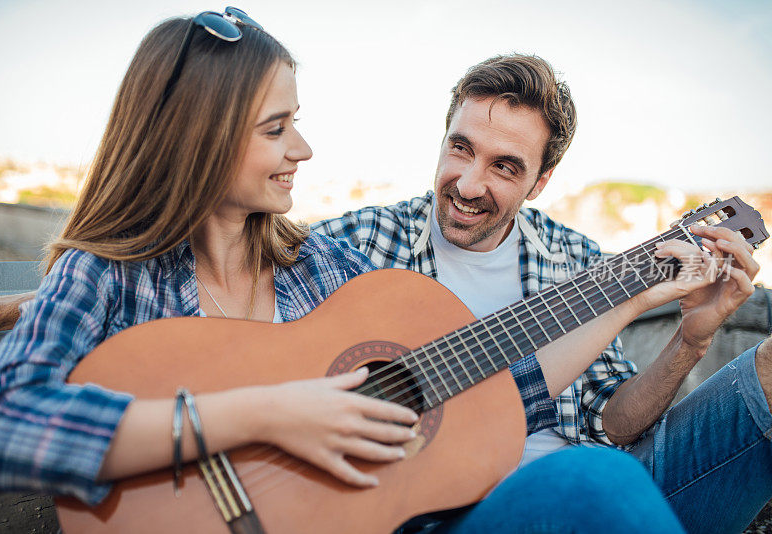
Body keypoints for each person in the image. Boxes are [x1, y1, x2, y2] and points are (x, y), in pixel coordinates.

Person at [0, 13, 726, 531]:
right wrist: (268, 414)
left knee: (596, 481)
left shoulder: (326, 265)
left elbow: (486, 389)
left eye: (296, 121)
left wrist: (627, 299)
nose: (303, 149)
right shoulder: (104, 273)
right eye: (277, 128)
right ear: (196, 140)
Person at [310, 54, 769, 534]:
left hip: (593, 490)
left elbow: (613, 422)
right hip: (441, 510)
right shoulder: (358, 241)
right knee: (599, 478)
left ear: (540, 182)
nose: (468, 183)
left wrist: (690, 341)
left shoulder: (577, 259)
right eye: (461, 148)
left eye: (504, 167)